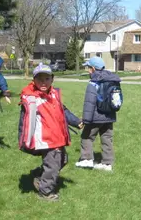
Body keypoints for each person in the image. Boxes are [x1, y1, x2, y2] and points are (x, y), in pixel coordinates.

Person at [19, 63, 83, 201]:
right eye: (39, 79)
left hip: (58, 136)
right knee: (53, 165)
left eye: (46, 78)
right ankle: (45, 192)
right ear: (34, 80)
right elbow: (24, 122)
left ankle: (39, 174)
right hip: (46, 139)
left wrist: (76, 121)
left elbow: (63, 111)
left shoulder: (54, 94)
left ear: (52, 79)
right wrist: (24, 141)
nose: (43, 82)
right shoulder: (31, 98)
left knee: (63, 160)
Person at [75, 56, 121, 171]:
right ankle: (107, 163)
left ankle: (86, 159)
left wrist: (85, 120)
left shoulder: (93, 82)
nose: (88, 70)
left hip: (95, 117)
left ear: (94, 68)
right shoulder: (112, 80)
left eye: (89, 68)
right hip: (109, 116)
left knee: (86, 137)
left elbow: (89, 103)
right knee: (107, 138)